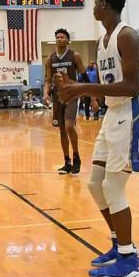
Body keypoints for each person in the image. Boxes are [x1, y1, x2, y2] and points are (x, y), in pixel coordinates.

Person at [55, 0, 139, 277]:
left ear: (107, 5)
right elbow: (105, 83)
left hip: (132, 109)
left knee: (114, 187)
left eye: (97, 2)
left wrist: (82, 89)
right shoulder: (102, 41)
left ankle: (128, 260)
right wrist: (72, 84)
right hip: (113, 113)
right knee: (95, 184)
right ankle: (118, 243)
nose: (93, 7)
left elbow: (129, 86)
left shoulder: (127, 35)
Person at [44, 29, 85, 175]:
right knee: (62, 130)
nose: (59, 39)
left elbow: (84, 76)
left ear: (68, 40)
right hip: (57, 97)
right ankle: (67, 161)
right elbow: (48, 80)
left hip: (72, 95)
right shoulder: (50, 59)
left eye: (62, 37)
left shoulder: (75, 56)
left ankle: (77, 157)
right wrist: (45, 93)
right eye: (57, 37)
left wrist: (92, 96)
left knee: (69, 126)